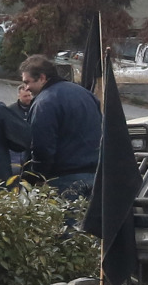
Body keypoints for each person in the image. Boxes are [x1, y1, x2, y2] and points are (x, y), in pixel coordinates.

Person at [20, 55, 101, 197]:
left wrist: (36, 177)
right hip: (95, 175)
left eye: (28, 82)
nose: (26, 88)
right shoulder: (86, 94)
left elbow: (42, 146)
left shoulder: (45, 102)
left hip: (63, 178)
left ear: (42, 78)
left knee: (65, 219)